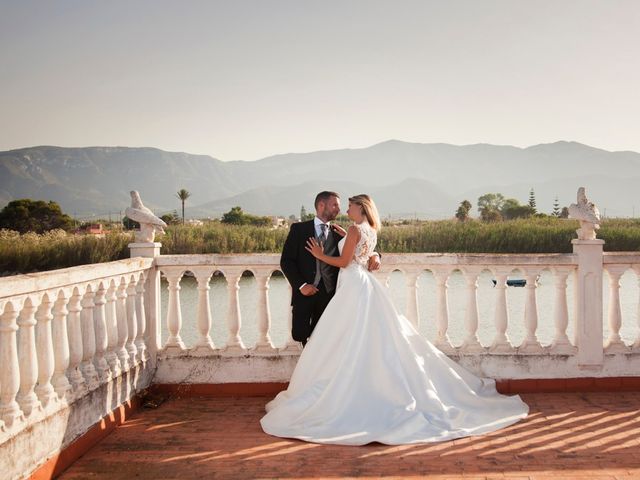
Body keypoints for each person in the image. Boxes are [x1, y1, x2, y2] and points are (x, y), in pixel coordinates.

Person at [261, 194, 528, 445]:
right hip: (358, 284)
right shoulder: (363, 229)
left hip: (351, 285)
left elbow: (345, 261)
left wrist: (322, 254)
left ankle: (343, 391)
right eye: (337, 206)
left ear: (361, 209)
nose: (343, 210)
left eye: (349, 206)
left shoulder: (353, 229)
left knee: (349, 337)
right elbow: (357, 253)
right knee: (359, 337)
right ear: (321, 205)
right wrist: (356, 248)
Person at [280, 191, 380, 346]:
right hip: (305, 292)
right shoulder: (299, 230)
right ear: (321, 205)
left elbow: (359, 248)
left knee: (324, 339)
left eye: (340, 207)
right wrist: (301, 285)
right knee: (299, 334)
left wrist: (375, 255)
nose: (338, 210)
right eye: (334, 205)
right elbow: (286, 261)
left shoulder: (339, 232)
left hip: (330, 296)